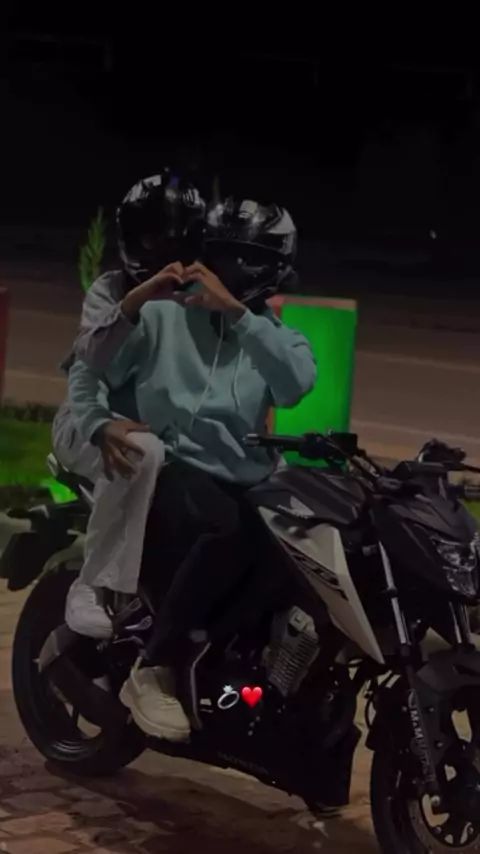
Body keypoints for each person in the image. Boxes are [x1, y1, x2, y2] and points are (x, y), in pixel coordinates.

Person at [70, 196, 317, 741]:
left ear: (277, 266)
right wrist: (95, 421)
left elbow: (296, 384)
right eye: (226, 254)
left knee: (298, 548)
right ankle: (155, 668)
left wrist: (239, 316)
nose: (237, 269)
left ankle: (240, 672)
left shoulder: (269, 334)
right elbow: (92, 363)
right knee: (225, 528)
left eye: (253, 259)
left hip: (245, 476)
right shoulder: (164, 313)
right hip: (173, 466)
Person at [52, 170, 206, 638]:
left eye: (178, 238)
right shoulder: (110, 290)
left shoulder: (199, 302)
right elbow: (90, 359)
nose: (166, 250)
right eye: (155, 235)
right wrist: (139, 300)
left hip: (159, 431)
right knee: (141, 451)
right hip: (88, 425)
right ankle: (92, 585)